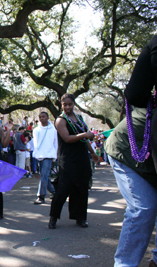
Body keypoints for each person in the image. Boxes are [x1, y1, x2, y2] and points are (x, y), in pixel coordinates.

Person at [105, 35, 157, 267]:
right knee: (143, 207)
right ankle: (124, 264)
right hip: (128, 147)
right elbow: (135, 93)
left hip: (147, 148)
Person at [49, 93, 98, 229]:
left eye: (70, 104)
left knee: (82, 188)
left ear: (74, 104)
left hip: (81, 158)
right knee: (63, 189)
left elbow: (85, 140)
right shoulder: (60, 120)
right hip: (67, 159)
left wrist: (92, 153)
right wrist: (85, 134)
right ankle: (53, 217)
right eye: (65, 104)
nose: (67, 107)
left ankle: (80, 218)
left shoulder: (79, 118)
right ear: (61, 105)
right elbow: (67, 138)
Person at [32, 112, 58, 204]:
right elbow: (35, 144)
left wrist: (55, 156)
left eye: (43, 116)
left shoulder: (53, 130)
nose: (42, 118)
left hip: (49, 155)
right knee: (45, 176)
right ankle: (55, 192)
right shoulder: (36, 130)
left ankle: (41, 196)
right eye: (40, 117)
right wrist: (35, 154)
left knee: (43, 175)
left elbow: (55, 143)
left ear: (47, 117)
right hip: (38, 156)